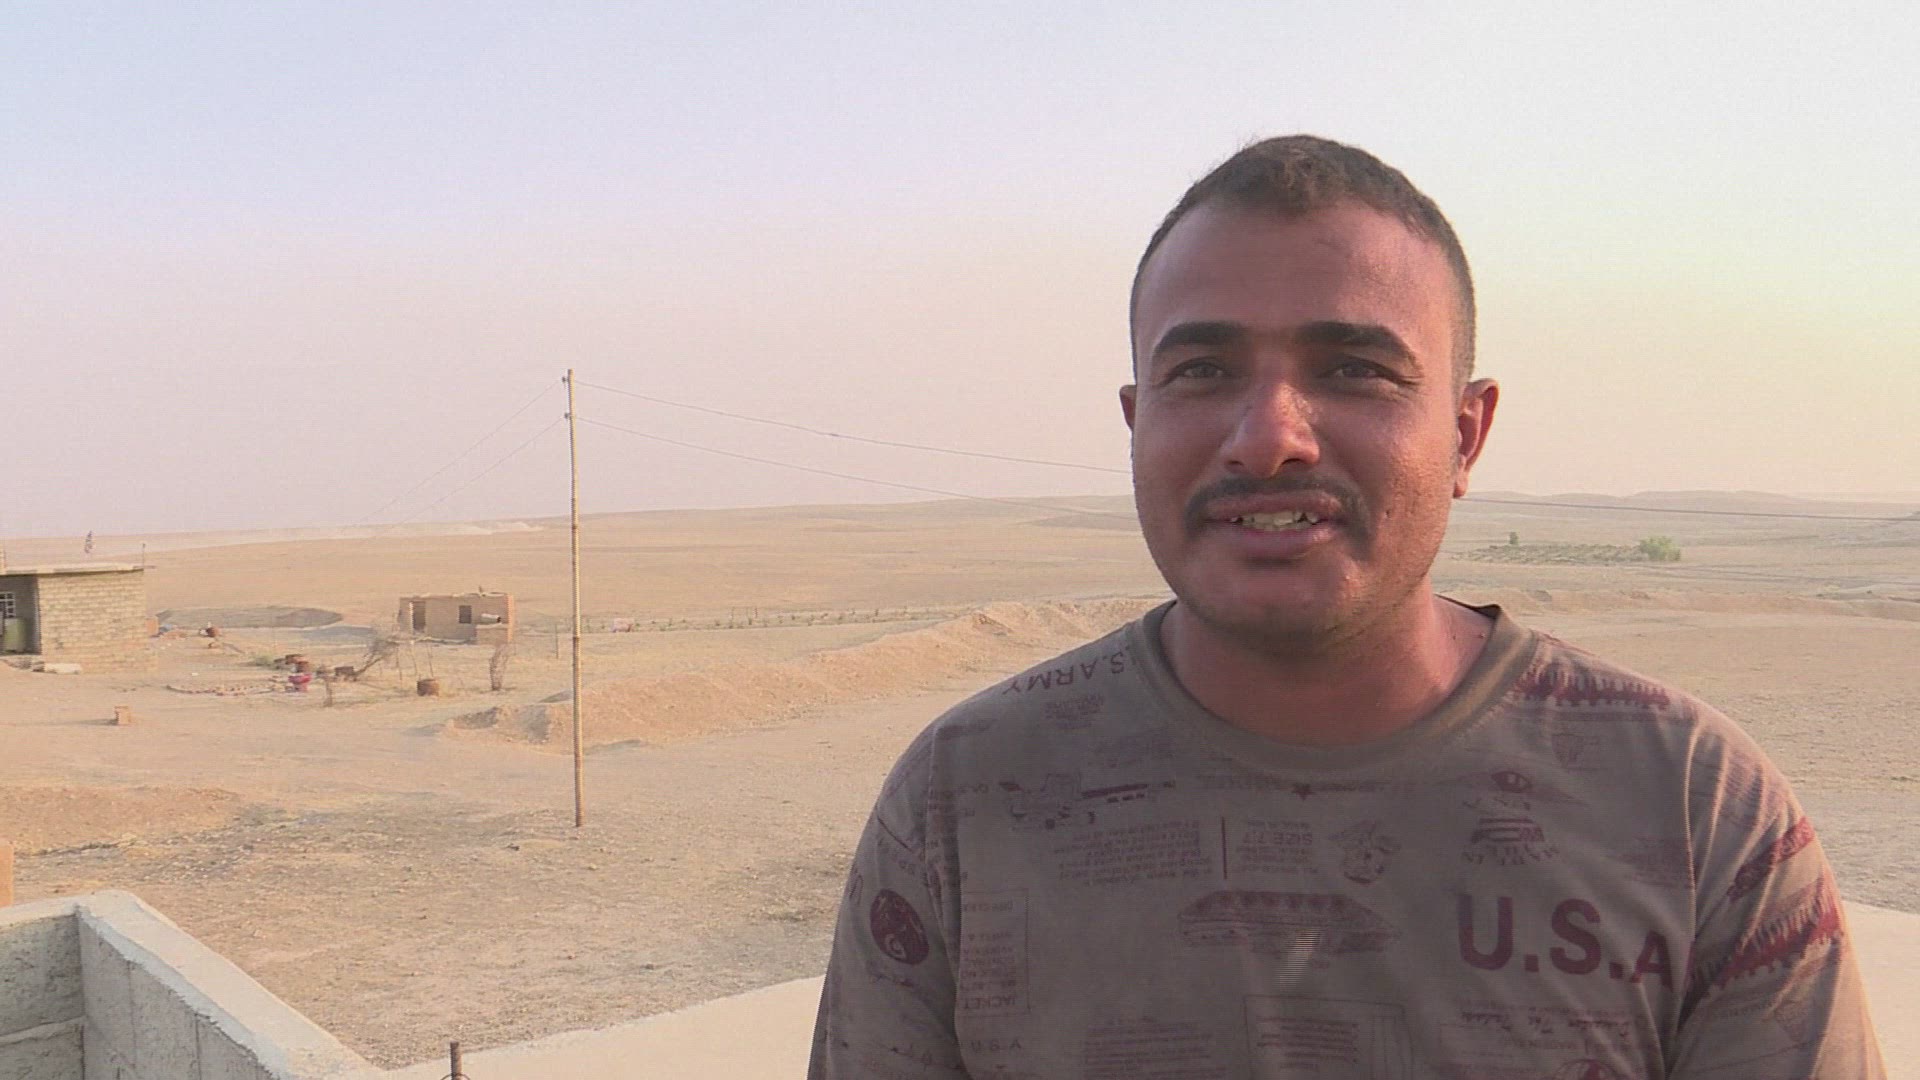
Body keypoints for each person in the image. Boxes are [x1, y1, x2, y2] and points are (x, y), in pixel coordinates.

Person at [808, 136, 1885, 1078]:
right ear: (1138, 423)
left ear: (1465, 434)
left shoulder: (1695, 809)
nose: (1268, 437)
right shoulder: (966, 800)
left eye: (1356, 370)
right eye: (1203, 371)